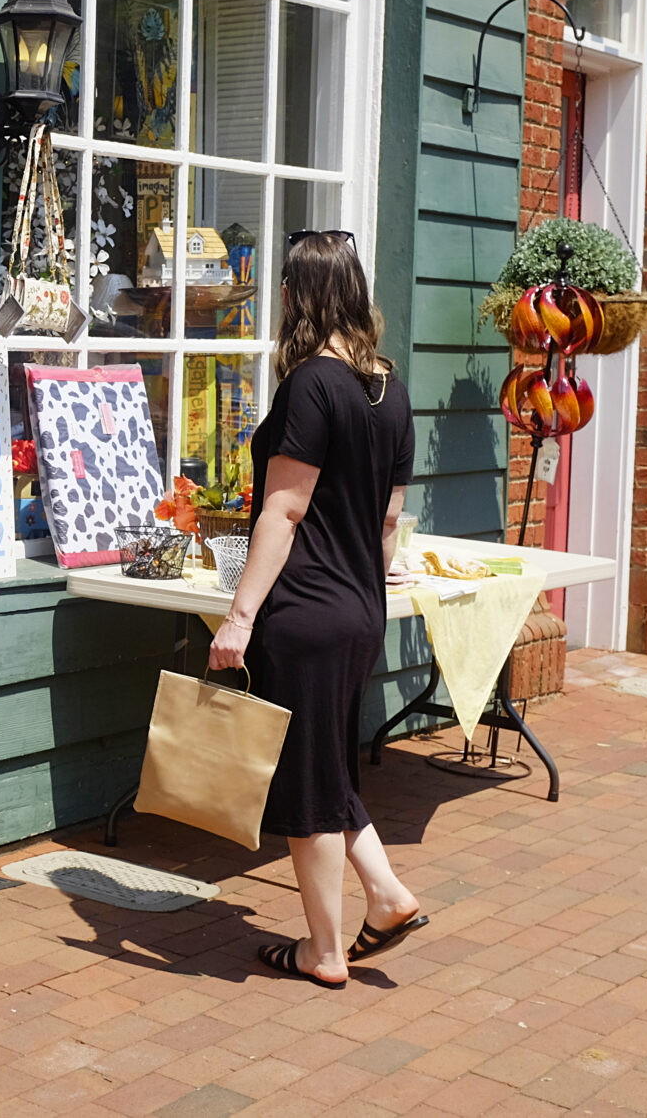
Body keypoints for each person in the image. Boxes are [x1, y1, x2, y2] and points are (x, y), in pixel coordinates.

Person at [206, 229, 427, 988]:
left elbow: (285, 509)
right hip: (362, 607)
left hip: (305, 612)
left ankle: (325, 950)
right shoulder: (389, 388)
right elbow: (389, 521)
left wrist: (239, 616)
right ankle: (388, 894)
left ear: (302, 295)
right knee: (325, 765)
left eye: (286, 288)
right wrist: (370, 575)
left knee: (305, 787)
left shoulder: (309, 385)